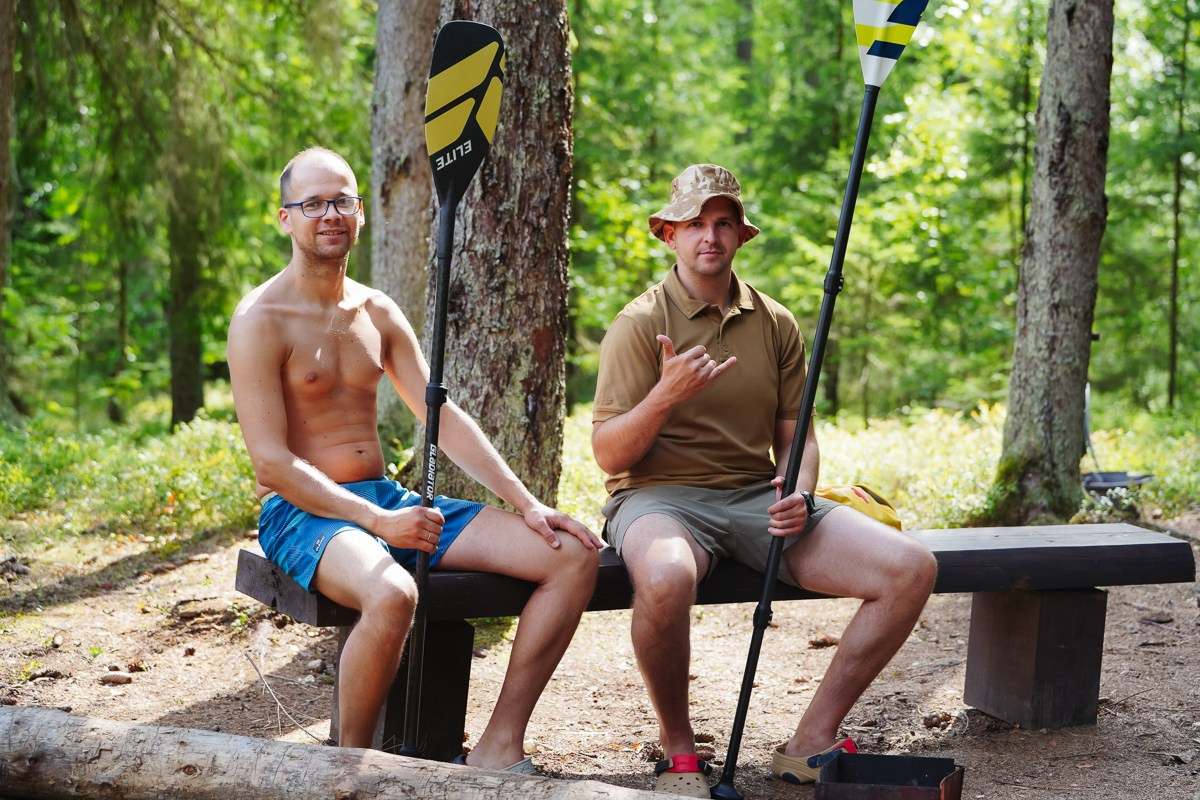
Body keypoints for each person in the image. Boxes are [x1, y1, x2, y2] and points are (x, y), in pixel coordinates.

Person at [228, 146, 601, 773]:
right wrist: (379, 525)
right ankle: (348, 774)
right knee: (394, 592)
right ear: (285, 219)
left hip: (386, 501)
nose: (330, 214)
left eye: (342, 200)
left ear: (360, 213)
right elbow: (272, 465)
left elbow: (441, 417)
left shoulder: (376, 311)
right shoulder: (260, 319)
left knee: (573, 557)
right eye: (312, 203)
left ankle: (497, 746)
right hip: (303, 513)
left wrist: (527, 503)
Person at [591, 164, 938, 796]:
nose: (710, 236)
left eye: (723, 222)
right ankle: (679, 751)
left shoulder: (776, 323)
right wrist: (663, 398)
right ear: (668, 234)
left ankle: (810, 742)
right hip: (656, 498)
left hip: (755, 495)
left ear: (742, 236)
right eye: (695, 223)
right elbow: (609, 453)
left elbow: (796, 435)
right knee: (666, 577)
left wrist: (799, 493)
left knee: (910, 568)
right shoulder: (640, 324)